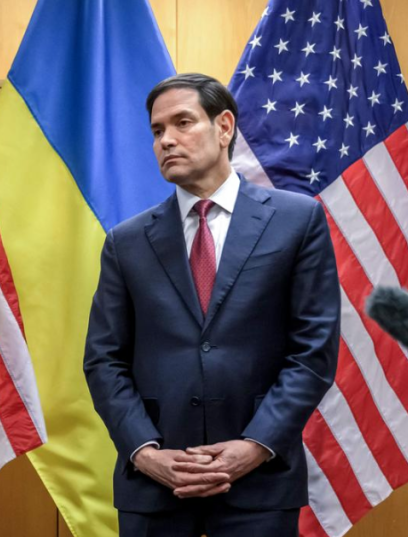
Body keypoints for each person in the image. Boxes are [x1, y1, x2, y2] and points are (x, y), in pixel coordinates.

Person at [83, 73, 340, 536]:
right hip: (156, 482)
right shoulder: (126, 242)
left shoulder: (297, 221)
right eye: (158, 131)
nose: (167, 140)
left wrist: (256, 445)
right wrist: (145, 452)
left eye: (183, 122)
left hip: (260, 482)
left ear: (224, 128)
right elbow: (103, 361)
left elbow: (313, 352)